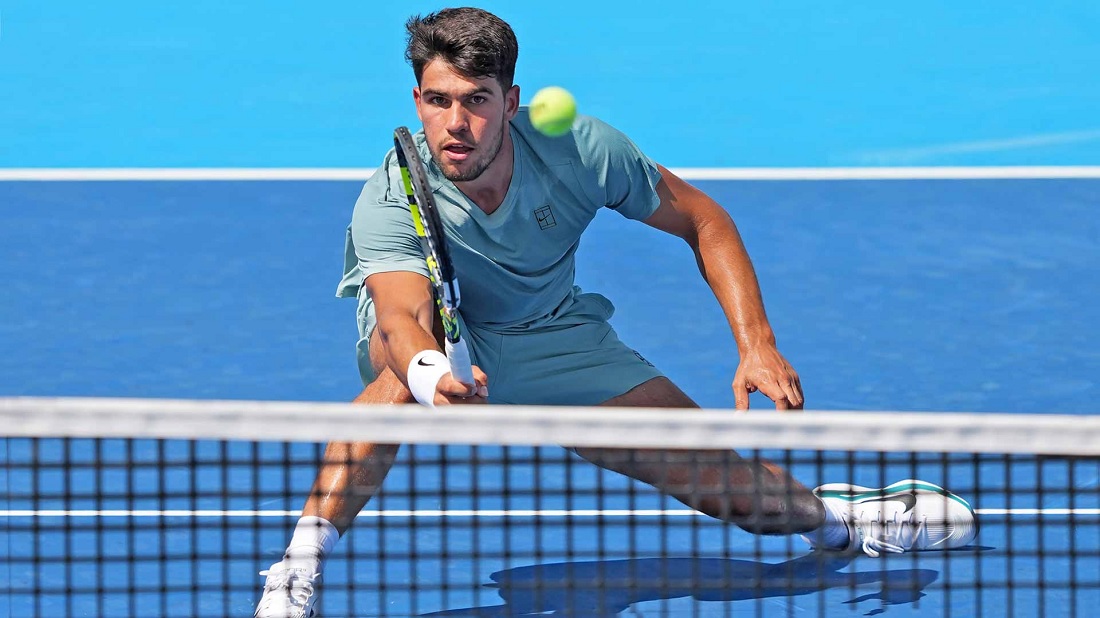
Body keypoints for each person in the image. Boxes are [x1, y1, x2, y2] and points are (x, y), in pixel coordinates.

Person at [255, 8, 977, 618]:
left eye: (476, 99)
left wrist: (755, 343)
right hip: (440, 337)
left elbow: (704, 221)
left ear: (511, 100)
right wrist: (429, 375)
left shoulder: (581, 149)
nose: (456, 123)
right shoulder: (392, 195)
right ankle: (295, 573)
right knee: (395, 380)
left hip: (553, 335)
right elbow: (399, 317)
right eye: (438, 100)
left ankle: (838, 522)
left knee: (734, 494)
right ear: (417, 100)